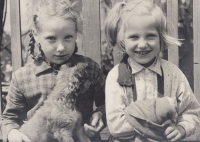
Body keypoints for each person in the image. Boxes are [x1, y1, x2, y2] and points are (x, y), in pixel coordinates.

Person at [1, 0, 106, 142]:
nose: (61, 47)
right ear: (36, 35)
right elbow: (9, 117)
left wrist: (100, 115)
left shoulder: (89, 68)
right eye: (51, 38)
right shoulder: (22, 78)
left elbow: (105, 103)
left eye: (68, 37)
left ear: (76, 34)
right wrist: (12, 133)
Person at [104, 0, 200, 141]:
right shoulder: (116, 76)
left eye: (150, 36)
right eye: (134, 37)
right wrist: (158, 120)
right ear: (123, 41)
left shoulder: (173, 74)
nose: (142, 44)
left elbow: (191, 111)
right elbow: (116, 125)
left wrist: (181, 129)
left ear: (161, 37)